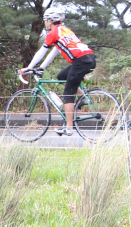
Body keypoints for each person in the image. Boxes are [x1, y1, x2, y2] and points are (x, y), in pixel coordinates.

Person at [18, 7, 96, 136]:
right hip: (89, 58)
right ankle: (84, 98)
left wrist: (28, 67)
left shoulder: (54, 33)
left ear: (50, 21)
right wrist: (41, 68)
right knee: (62, 76)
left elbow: (42, 52)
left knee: (68, 93)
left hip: (81, 61)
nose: (45, 23)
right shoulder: (65, 30)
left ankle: (69, 128)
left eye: (45, 21)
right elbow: (54, 52)